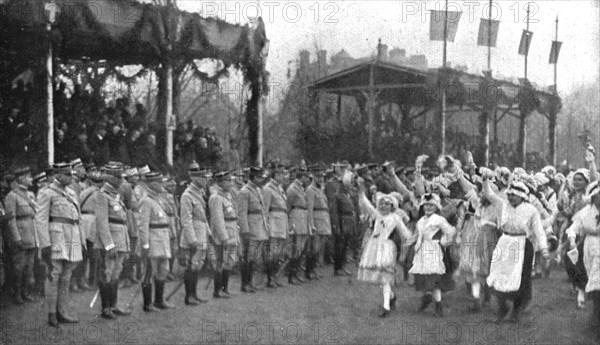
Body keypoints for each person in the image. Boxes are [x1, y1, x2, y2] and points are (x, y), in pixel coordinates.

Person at [481, 169, 549, 323]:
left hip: (522, 245)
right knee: (499, 275)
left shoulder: (531, 210)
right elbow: (489, 195)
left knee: (520, 278)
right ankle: (502, 307)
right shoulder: (503, 204)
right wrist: (485, 181)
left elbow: (538, 230)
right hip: (504, 242)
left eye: (514, 195)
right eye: (509, 194)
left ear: (522, 196)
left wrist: (544, 248)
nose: (510, 197)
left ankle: (516, 310)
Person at [35, 162, 85, 327]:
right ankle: (51, 314)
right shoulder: (47, 193)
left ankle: (62, 311)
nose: (71, 177)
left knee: (66, 276)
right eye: (67, 174)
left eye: (71, 174)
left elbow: (78, 219)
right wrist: (45, 244)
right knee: (53, 275)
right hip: (56, 238)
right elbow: (40, 220)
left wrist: (82, 241)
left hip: (72, 238)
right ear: (57, 176)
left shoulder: (71, 193)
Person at [356, 180, 412, 318]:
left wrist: (414, 240)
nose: (383, 206)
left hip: (386, 247)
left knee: (385, 277)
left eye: (387, 204)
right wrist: (361, 192)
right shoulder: (377, 215)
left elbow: (405, 233)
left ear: (392, 206)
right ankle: (391, 297)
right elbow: (366, 204)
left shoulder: (395, 218)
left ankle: (386, 306)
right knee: (380, 277)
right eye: (381, 203)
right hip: (374, 246)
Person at [409, 192, 456, 317]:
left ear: (436, 207)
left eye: (431, 206)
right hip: (422, 250)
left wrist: (444, 241)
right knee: (423, 277)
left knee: (434, 279)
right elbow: (417, 235)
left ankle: (438, 306)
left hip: (434, 249)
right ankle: (427, 298)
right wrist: (412, 242)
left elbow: (450, 231)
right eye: (426, 205)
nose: (428, 208)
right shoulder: (420, 221)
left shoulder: (439, 219)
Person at [95, 163, 132, 319]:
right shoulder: (102, 195)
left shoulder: (117, 195)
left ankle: (114, 305)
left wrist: (127, 244)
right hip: (109, 241)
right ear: (109, 177)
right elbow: (102, 223)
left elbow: (123, 221)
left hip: (121, 238)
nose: (120, 180)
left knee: (116, 272)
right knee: (107, 273)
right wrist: (109, 245)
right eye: (117, 177)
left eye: (121, 177)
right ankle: (106, 308)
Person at [566, 181, 600, 336]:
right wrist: (572, 241)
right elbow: (573, 228)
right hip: (591, 247)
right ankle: (596, 315)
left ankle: (596, 319)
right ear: (593, 196)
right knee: (594, 281)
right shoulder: (586, 212)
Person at [138, 172, 175, 311]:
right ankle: (147, 304)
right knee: (149, 272)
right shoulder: (146, 201)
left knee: (163, 270)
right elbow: (143, 225)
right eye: (160, 183)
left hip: (163, 239)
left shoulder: (158, 199)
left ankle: (159, 300)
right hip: (153, 241)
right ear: (153, 184)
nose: (163, 185)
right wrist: (145, 244)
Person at [179, 163, 214, 305]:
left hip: (202, 233)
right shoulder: (187, 195)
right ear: (195, 178)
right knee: (192, 266)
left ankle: (194, 294)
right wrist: (192, 240)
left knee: (198, 266)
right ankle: (189, 296)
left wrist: (209, 233)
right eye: (203, 177)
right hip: (193, 235)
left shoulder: (199, 193)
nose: (206, 180)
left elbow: (203, 218)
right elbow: (186, 220)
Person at [4, 167, 38, 304]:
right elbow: (11, 220)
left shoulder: (30, 195)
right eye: (29, 177)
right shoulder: (12, 196)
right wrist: (16, 237)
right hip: (20, 232)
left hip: (31, 231)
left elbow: (34, 214)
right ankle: (17, 294)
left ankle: (26, 292)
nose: (31, 179)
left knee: (29, 265)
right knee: (19, 266)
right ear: (22, 179)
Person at [237, 167, 270, 293]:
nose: (261, 179)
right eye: (260, 177)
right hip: (251, 227)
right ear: (254, 177)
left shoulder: (257, 190)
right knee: (249, 256)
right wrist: (244, 230)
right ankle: (245, 283)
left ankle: (249, 282)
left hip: (259, 226)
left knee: (254, 256)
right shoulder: (245, 191)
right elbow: (242, 213)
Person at [208, 171, 239, 298]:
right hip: (223, 234)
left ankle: (225, 288)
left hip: (231, 231)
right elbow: (218, 219)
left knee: (229, 261)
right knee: (220, 262)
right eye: (228, 181)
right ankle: (217, 291)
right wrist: (224, 237)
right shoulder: (216, 197)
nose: (231, 183)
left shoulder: (227, 195)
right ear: (221, 182)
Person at [262, 164, 289, 288]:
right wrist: (266, 225)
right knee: (272, 253)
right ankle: (270, 279)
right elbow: (265, 209)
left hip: (281, 222)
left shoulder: (280, 188)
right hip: (273, 223)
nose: (284, 176)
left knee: (278, 253)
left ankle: (274, 277)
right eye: (282, 174)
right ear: (276, 175)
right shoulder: (268, 189)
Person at [330, 171, 359, 277]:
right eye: (350, 182)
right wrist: (337, 226)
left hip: (349, 222)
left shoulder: (349, 195)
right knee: (339, 246)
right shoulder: (337, 196)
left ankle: (342, 266)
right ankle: (337, 268)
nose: (352, 184)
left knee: (346, 246)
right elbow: (334, 212)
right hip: (342, 222)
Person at [286, 167, 311, 284]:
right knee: (295, 249)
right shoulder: (293, 188)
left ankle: (296, 274)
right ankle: (292, 276)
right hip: (296, 217)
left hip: (302, 218)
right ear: (302, 177)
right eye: (306, 177)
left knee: (300, 249)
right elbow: (288, 206)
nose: (308, 180)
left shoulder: (301, 188)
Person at [306, 168, 331, 278]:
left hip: (323, 221)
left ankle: (314, 270)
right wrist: (311, 225)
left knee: (319, 248)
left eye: (322, 177)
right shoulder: (311, 190)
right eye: (318, 177)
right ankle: (309, 270)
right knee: (314, 248)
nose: (321, 179)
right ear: (314, 177)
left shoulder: (320, 189)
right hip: (316, 220)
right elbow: (310, 209)